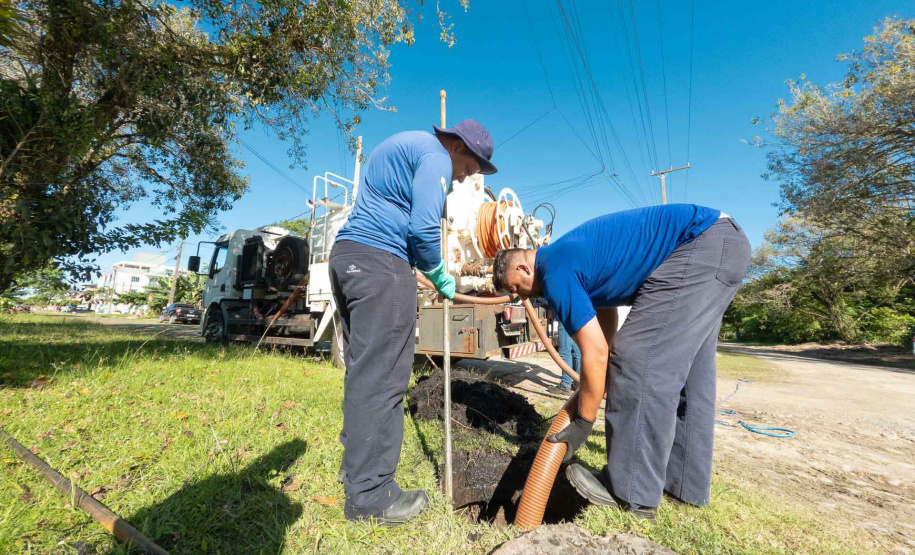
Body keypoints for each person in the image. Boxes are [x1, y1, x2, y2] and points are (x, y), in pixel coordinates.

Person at [492, 204, 750, 520]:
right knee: (691, 377)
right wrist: (604, 372)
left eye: (517, 290)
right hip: (723, 244)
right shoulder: (570, 256)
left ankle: (631, 493)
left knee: (638, 359)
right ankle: (683, 487)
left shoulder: (555, 270)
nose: (523, 298)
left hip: (698, 246)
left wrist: (582, 425)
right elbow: (604, 323)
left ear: (523, 269)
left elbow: (597, 352)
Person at [330, 120, 498, 523]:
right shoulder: (436, 156)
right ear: (458, 147)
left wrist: (417, 267)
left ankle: (355, 470)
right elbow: (423, 228)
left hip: (349, 257)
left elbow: (399, 218)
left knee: (364, 371)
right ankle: (370, 496)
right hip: (379, 265)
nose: (464, 179)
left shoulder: (404, 144)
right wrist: (440, 273)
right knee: (385, 377)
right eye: (470, 169)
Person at [549, 321, 580, 394]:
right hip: (576, 318)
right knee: (576, 351)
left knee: (565, 352)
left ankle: (565, 385)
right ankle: (578, 383)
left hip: (565, 318)